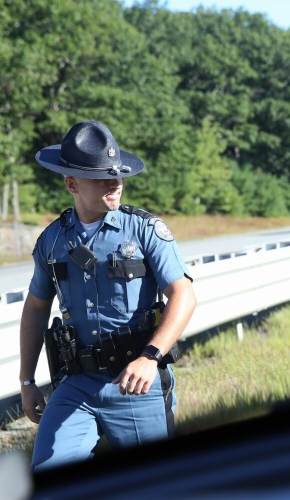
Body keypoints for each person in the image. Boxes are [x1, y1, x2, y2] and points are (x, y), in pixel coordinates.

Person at [19, 120, 196, 471]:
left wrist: (150, 357)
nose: (115, 182)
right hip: (76, 385)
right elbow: (36, 307)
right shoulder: (52, 241)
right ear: (72, 183)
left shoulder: (144, 231)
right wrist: (26, 380)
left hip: (135, 382)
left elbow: (183, 294)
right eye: (101, 176)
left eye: (117, 174)